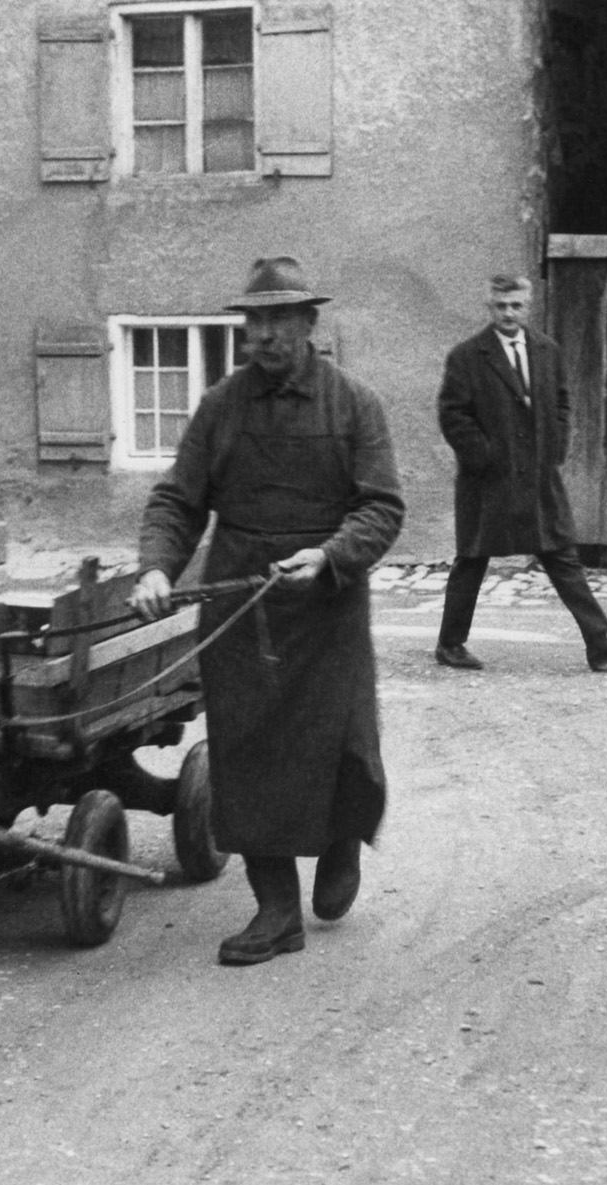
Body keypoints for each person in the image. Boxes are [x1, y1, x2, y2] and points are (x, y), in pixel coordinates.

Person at [130, 256, 404, 967]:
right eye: (254, 320)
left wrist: (329, 556)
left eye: (280, 319)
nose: (265, 334)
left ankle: (341, 843)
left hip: (327, 604)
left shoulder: (354, 404)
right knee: (249, 755)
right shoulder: (221, 406)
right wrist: (157, 566)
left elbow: (382, 507)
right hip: (241, 605)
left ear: (310, 323)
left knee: (343, 745)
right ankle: (276, 909)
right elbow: (178, 500)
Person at [433, 275, 607, 672]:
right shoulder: (467, 356)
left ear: (528, 306)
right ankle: (450, 644)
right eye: (501, 306)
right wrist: (486, 455)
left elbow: (562, 402)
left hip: (537, 477)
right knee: (472, 559)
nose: (509, 313)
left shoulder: (547, 351)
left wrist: (555, 447)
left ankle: (599, 641)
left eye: (516, 305)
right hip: (488, 480)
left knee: (561, 556)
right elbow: (452, 414)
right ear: (489, 306)